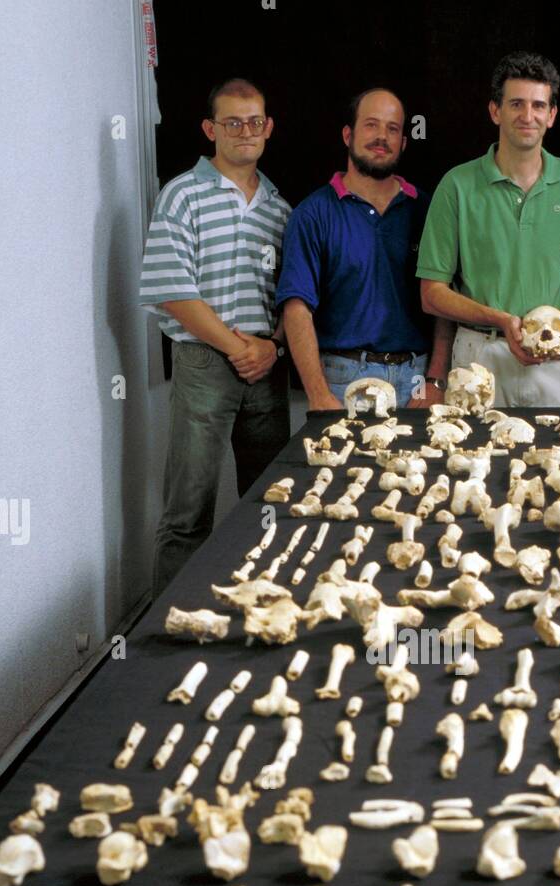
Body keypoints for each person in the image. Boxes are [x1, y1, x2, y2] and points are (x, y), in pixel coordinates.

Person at [140, 77, 292, 596]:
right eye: (232, 122)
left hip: (266, 368)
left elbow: (290, 297)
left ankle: (261, 613)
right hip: (206, 362)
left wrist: (269, 348)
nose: (245, 131)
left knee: (269, 503)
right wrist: (238, 348)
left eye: (255, 121)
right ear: (211, 129)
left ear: (268, 128)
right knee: (189, 511)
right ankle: (168, 635)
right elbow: (172, 291)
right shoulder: (182, 195)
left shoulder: (279, 207)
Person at [417, 51, 560, 408]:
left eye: (538, 105)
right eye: (516, 104)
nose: (527, 115)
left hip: (557, 357)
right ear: (495, 111)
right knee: (473, 463)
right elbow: (432, 294)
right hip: (480, 357)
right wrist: (502, 321)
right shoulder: (457, 185)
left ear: (552, 115)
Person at [277, 88, 452, 410]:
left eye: (393, 128)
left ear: (404, 141)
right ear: (348, 134)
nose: (381, 137)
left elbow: (444, 299)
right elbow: (296, 308)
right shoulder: (313, 213)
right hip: (343, 377)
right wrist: (318, 394)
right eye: (371, 125)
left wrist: (436, 380)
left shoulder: (429, 209)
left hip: (418, 376)